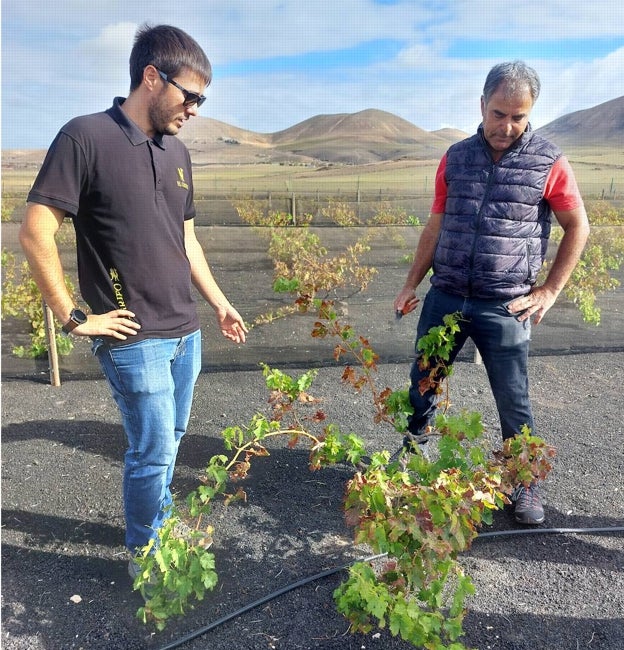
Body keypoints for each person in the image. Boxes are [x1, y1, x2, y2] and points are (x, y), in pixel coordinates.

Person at [19, 24, 248, 580]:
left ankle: (156, 524)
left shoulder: (177, 153)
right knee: (152, 452)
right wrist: (75, 316)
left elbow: (186, 239)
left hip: (185, 330)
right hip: (133, 337)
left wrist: (218, 303)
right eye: (189, 95)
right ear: (152, 76)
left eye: (202, 99)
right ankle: (148, 556)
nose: (195, 109)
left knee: (170, 441)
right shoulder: (85, 138)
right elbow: (35, 230)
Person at [394, 61, 589, 525]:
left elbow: (578, 225)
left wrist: (549, 291)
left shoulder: (549, 161)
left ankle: (525, 482)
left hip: (505, 304)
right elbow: (436, 225)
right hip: (446, 295)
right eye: (499, 113)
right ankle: (413, 457)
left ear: (530, 113)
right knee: (423, 383)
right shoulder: (455, 157)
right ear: (481, 105)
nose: (507, 126)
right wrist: (410, 283)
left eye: (518, 116)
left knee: (512, 399)